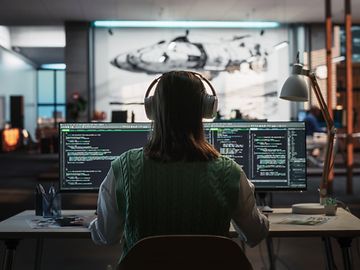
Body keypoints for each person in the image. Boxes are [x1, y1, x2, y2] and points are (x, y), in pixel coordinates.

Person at [83, 71, 269, 262]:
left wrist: (92, 223)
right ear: (206, 108)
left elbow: (106, 236)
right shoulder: (230, 172)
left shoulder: (123, 167)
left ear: (152, 108)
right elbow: (255, 235)